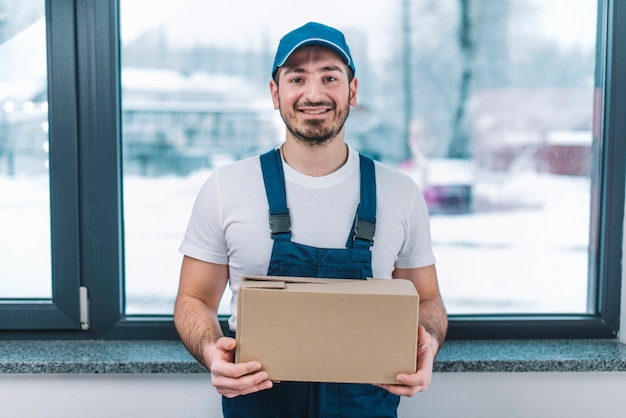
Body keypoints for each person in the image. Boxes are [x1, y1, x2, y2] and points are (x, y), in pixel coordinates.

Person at [174, 21, 448, 418]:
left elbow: (428, 300)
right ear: (275, 93)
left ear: (352, 91)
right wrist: (210, 350)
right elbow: (193, 299)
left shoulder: (399, 193)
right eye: (297, 78)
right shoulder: (226, 187)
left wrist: (428, 343)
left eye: (330, 76)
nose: (313, 93)